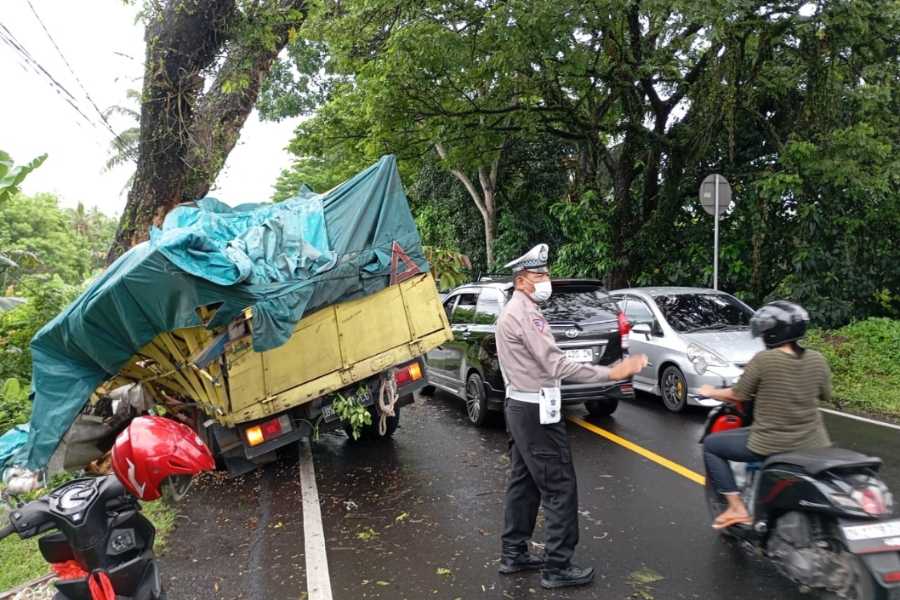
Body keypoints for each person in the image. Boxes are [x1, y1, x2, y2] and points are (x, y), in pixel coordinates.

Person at [495, 243, 648, 589]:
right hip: (535, 410)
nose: (546, 279)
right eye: (540, 275)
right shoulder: (526, 315)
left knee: (523, 482)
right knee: (559, 485)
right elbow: (557, 364)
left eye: (546, 273)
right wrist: (611, 373)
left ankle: (514, 553)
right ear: (522, 281)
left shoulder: (513, 310)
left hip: (520, 407)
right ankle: (557, 566)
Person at [699, 300, 832, 529]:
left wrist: (711, 391)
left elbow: (738, 395)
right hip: (814, 441)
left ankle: (736, 507)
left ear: (771, 332)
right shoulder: (817, 359)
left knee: (711, 446)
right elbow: (825, 394)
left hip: (771, 443)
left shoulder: (764, 360)